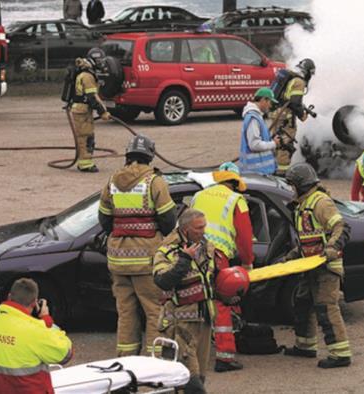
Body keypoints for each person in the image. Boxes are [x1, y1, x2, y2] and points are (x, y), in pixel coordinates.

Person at [98, 134, 177, 357]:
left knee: (126, 312)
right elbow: (168, 219)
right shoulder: (154, 181)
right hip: (146, 260)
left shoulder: (112, 182)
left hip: (118, 260)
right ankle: (155, 361)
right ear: (149, 156)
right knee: (155, 311)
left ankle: (127, 359)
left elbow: (104, 219)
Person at [283, 162, 352, 368]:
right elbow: (310, 237)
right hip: (310, 265)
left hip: (326, 267)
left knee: (326, 308)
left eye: (292, 185)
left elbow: (341, 227)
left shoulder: (320, 202)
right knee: (302, 304)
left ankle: (340, 354)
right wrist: (294, 254)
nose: (291, 189)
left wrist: (331, 250)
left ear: (301, 185)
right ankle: (305, 346)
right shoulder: (303, 205)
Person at [190, 162, 254, 373]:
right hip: (216, 257)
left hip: (191, 254)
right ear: (234, 183)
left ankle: (189, 353)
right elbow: (244, 236)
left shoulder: (199, 196)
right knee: (221, 303)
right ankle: (225, 358)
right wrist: (247, 262)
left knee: (193, 298)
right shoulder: (237, 200)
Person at [153, 209, 216, 394]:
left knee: (201, 372)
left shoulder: (205, 245)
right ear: (186, 229)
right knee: (189, 374)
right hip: (181, 321)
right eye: (199, 228)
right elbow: (162, 281)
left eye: (204, 226)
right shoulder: (168, 250)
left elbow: (209, 277)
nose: (203, 231)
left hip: (204, 317)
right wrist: (185, 259)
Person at [0, 278, 72, 393]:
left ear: (9, 296)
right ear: (34, 303)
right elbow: (65, 354)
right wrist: (48, 323)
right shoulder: (36, 331)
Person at [270, 58, 315, 174]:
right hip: (286, 117)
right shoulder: (299, 82)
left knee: (276, 141)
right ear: (308, 72)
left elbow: (288, 98)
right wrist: (302, 116)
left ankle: (272, 169)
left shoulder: (290, 77)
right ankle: (282, 174)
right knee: (285, 145)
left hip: (277, 114)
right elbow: (295, 103)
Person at [70, 54, 111, 172]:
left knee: (87, 136)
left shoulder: (85, 73)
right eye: (98, 61)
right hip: (82, 110)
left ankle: (85, 162)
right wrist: (103, 112)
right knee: (86, 136)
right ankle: (85, 164)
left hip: (82, 109)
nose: (100, 63)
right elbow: (92, 97)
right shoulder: (87, 76)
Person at [239, 87, 280, 175]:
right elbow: (254, 145)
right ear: (263, 100)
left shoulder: (257, 116)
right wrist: (273, 144)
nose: (270, 106)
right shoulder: (253, 118)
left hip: (259, 171)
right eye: (270, 102)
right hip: (256, 172)